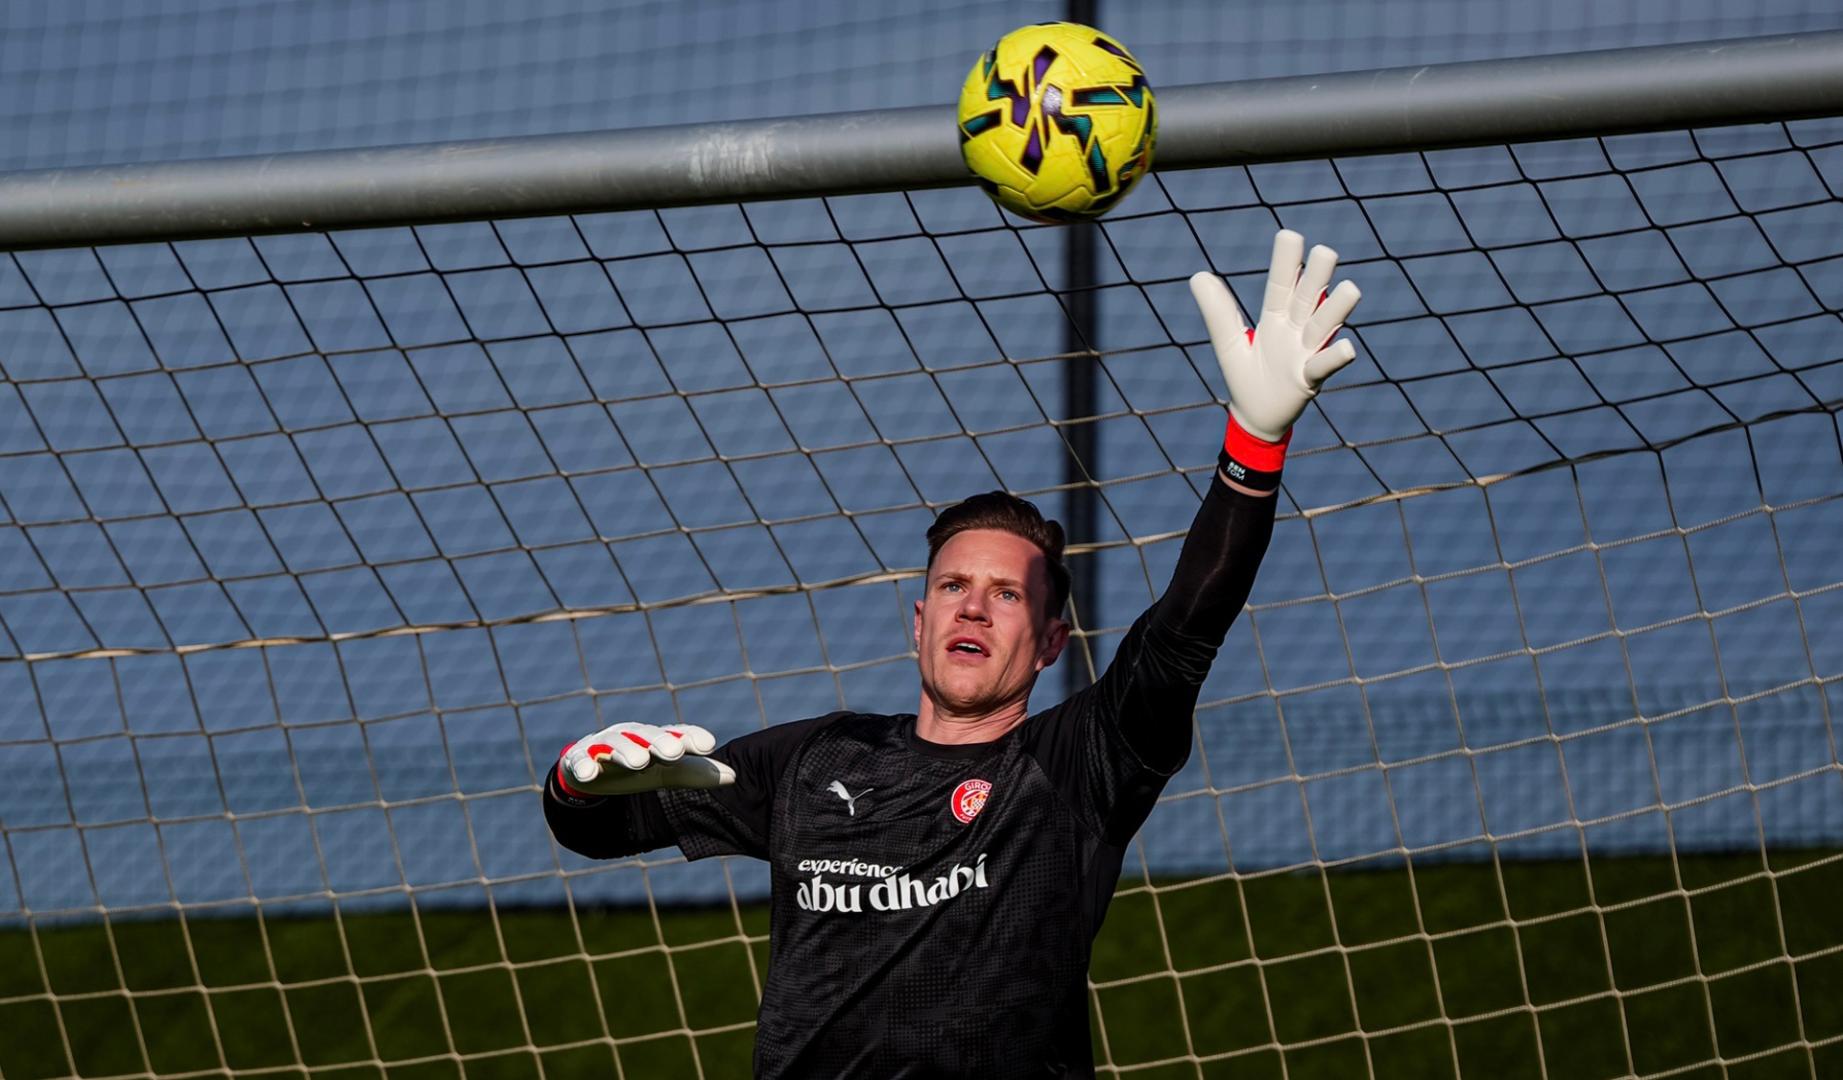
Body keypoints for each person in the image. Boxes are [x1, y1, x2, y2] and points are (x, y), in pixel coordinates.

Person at [543, 230, 1361, 1078]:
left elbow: (1186, 626)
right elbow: (601, 830)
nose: (972, 605)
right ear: (918, 621)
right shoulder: (815, 760)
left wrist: (1253, 444)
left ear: (1050, 642)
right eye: (952, 586)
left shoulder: (1074, 767)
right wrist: (574, 783)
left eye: (1006, 595)